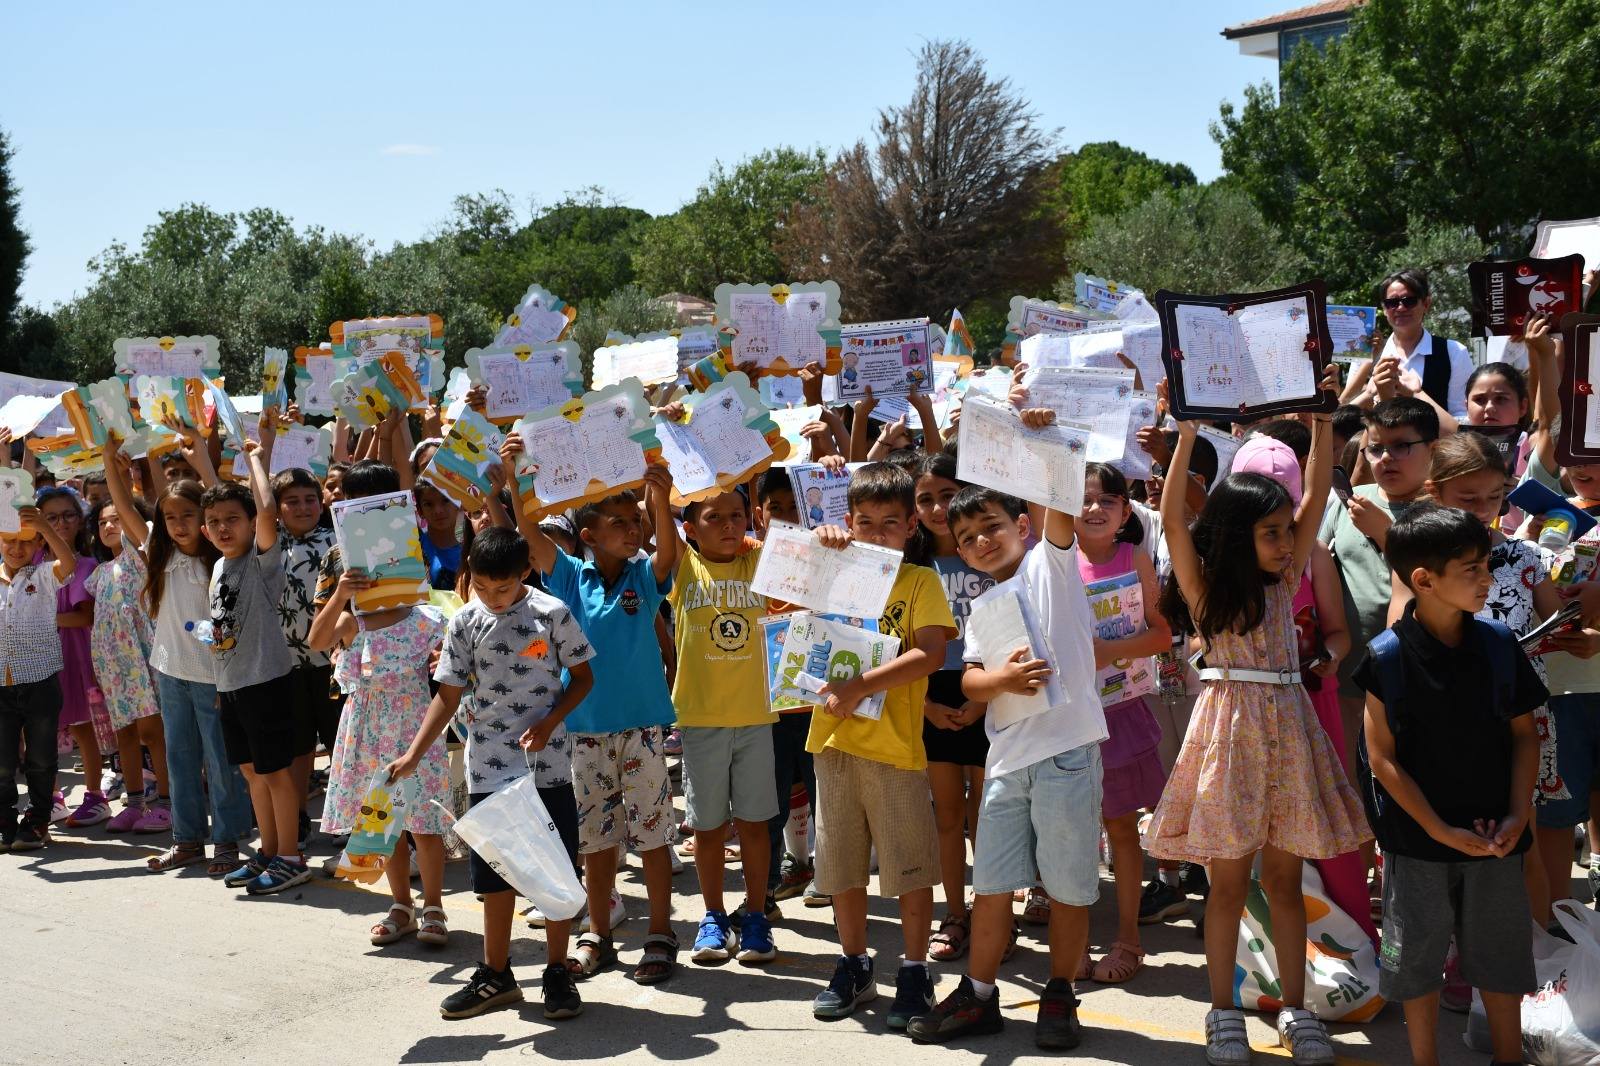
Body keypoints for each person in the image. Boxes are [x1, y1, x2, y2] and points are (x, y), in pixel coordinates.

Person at [1146, 367, 1371, 1066]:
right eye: (1270, 532)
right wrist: (1184, 437)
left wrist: (1324, 423)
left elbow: (1315, 499)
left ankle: (1297, 1010)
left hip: (1288, 730)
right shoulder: (1206, 591)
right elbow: (1175, 520)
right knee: (1229, 887)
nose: (1284, 542)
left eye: (1286, 530)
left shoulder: (1286, 581)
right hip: (1227, 735)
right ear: (1239, 534)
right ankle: (1222, 1014)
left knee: (1284, 881)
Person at [906, 459, 1105, 1050]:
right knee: (990, 885)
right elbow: (969, 682)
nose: (979, 542)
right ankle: (979, 994)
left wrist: (1038, 435)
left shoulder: (1053, 564)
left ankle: (1060, 993)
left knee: (1069, 888)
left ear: (1024, 523)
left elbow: (1059, 491)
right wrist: (1002, 682)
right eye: (966, 539)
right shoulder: (984, 607)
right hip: (1006, 762)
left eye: (991, 526)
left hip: (1067, 753)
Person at [1356, 504, 1543, 1066]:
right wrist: (1437, 828)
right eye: (1473, 570)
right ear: (1424, 580)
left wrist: (1518, 816)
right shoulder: (1387, 656)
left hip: (1495, 836)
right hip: (1417, 844)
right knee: (1416, 964)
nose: (1487, 579)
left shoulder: (1497, 645)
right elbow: (1381, 759)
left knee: (1500, 960)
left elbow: (1526, 738)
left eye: (1487, 565)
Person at [388, 527, 596, 1021]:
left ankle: (556, 972)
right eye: (481, 586)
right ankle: (495, 974)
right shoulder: (463, 622)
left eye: (502, 588)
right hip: (487, 772)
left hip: (547, 770)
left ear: (524, 572)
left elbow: (584, 677)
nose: (491, 597)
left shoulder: (552, 613)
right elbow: (447, 694)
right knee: (494, 878)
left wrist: (549, 722)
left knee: (553, 874)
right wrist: (415, 753)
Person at [512, 448, 683, 986]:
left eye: (637, 523)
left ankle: (661, 932)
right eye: (619, 524)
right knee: (597, 839)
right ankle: (600, 933)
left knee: (653, 835)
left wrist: (658, 492)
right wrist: (518, 481)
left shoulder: (643, 577)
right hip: (583, 733)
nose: (633, 531)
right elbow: (529, 534)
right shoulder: (569, 578)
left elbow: (667, 557)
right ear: (588, 535)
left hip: (641, 731)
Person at [805, 463, 956, 1028]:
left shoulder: (920, 582)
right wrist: (819, 547)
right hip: (833, 740)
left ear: (911, 526)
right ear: (847, 521)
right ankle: (853, 962)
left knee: (910, 868)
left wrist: (860, 686)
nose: (875, 533)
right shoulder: (833, 568)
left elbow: (932, 653)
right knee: (842, 865)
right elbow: (776, 598)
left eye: (889, 523)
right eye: (863, 522)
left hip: (894, 749)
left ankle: (914, 969)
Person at [104, 441, 253, 876]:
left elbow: (226, 499)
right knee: (180, 760)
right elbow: (123, 505)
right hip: (170, 672)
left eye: (189, 515)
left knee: (221, 764)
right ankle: (187, 841)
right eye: (170, 517)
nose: (179, 524)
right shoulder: (159, 552)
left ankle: (227, 840)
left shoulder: (223, 559)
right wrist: (111, 465)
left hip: (214, 676)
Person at [307, 546, 451, 949]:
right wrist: (339, 594)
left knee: (425, 822)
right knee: (385, 821)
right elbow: (316, 640)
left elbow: (454, 670)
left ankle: (435, 907)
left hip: (417, 728)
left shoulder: (429, 619)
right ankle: (401, 905)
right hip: (368, 730)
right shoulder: (354, 620)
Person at [663, 489, 778, 964]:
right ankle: (712, 917)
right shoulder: (680, 567)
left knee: (754, 825)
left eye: (736, 516)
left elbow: (787, 537)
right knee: (707, 829)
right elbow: (660, 516)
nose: (729, 525)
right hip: (701, 720)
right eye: (714, 517)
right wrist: (658, 483)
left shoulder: (760, 565)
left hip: (756, 717)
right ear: (689, 527)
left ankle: (754, 916)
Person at [1073, 462, 1171, 984]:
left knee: (1122, 831)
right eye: (1084, 498)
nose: (1094, 509)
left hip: (1121, 715)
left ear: (1126, 512)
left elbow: (1162, 634)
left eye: (1107, 500)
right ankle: (1076, 940)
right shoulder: (1050, 561)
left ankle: (1128, 937)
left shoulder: (1136, 559)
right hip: (1067, 718)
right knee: (1072, 834)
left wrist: (1109, 651)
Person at [201, 440, 309, 895]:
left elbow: (266, 510)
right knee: (251, 772)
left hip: (267, 682)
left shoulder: (263, 562)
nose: (223, 528)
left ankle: (290, 856)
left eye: (232, 519)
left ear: (251, 525)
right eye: (214, 523)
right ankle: (267, 850)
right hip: (233, 685)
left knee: (276, 772)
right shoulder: (219, 568)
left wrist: (255, 460)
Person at [1320, 397, 1438, 775]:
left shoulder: (1449, 506)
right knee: (1354, 790)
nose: (1385, 458)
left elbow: (1442, 584)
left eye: (1401, 446)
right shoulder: (1346, 502)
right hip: (1350, 676)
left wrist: (1387, 535)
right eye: (1376, 448)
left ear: (1432, 448)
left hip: (1423, 679)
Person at [908, 452, 992, 962]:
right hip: (931, 691)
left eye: (947, 494)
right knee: (946, 815)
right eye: (926, 499)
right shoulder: (913, 565)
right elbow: (895, 641)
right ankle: (956, 913)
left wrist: (983, 700)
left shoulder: (987, 552)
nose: (939, 507)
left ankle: (990, 910)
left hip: (987, 687)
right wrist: (924, 706)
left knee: (986, 814)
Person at [260, 427, 339, 852]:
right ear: (278, 508)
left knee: (339, 744)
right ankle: (296, 824)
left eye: (310, 499)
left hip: (332, 663)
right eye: (292, 500)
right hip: (285, 665)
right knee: (296, 750)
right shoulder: (270, 546)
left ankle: (348, 823)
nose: (303, 506)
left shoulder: (337, 540)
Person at [84, 491, 171, 835]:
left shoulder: (139, 558)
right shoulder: (100, 572)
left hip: (141, 658)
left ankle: (167, 802)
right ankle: (135, 803)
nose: (108, 525)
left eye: (115, 518)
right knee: (126, 735)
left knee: (152, 731)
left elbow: (133, 524)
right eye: (102, 521)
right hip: (113, 664)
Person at [0, 503, 80, 851]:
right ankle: (4, 820)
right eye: (9, 541)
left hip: (41, 681)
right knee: (2, 762)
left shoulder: (43, 576)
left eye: (26, 542)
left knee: (41, 758)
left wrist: (46, 527)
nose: (17, 548)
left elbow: (71, 565)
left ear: (38, 547)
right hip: (1, 686)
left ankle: (37, 821)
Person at [39, 487, 107, 828]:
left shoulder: (86, 565)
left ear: (81, 521)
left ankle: (95, 796)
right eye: (50, 517)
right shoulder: (33, 563)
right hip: (41, 658)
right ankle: (53, 799)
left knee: (83, 729)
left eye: (67, 515)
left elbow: (85, 616)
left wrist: (42, 616)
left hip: (76, 656)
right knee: (43, 730)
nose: (60, 523)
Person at [1366, 268, 1474, 421]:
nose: (1401, 308)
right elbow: (1352, 411)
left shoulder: (1454, 352)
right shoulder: (1368, 353)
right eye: (1392, 303)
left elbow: (1461, 416)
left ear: (1426, 303)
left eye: (1409, 301)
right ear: (1384, 309)